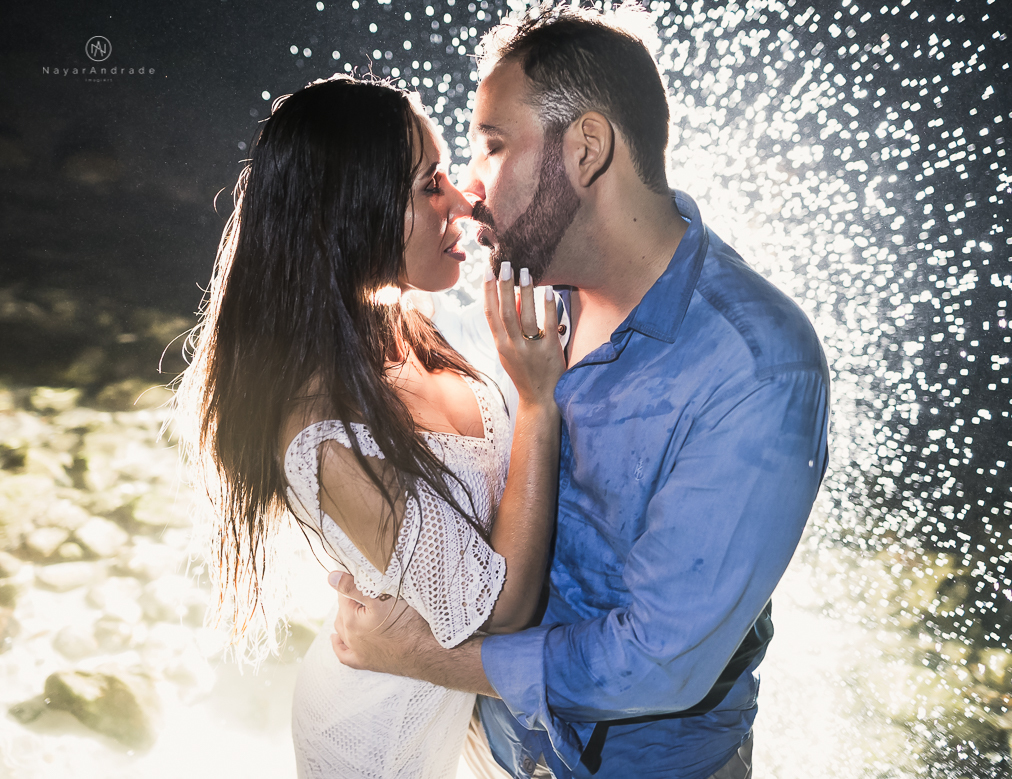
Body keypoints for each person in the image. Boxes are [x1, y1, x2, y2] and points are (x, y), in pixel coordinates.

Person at [327, 5, 832, 779]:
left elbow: (657, 662)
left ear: (586, 148)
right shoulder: (514, 287)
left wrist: (429, 655)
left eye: (494, 144)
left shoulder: (757, 367)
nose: (470, 184)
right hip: (483, 745)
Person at [174, 75, 567, 778]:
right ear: (352, 214)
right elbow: (501, 610)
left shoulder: (397, 324)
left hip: (448, 714)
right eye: (430, 185)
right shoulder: (324, 435)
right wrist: (539, 403)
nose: (465, 200)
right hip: (374, 744)